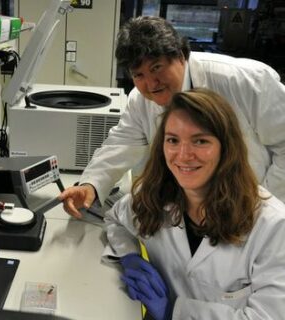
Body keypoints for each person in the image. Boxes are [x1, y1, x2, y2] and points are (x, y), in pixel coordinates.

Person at [59, 16, 285, 218]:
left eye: (157, 68)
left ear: (180, 56)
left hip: (253, 203)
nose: (151, 83)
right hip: (191, 209)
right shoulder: (140, 100)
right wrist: (91, 185)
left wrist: (261, 208)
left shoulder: (244, 81)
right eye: (139, 75)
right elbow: (121, 144)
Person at [103, 88, 285, 319]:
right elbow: (114, 219)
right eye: (173, 140)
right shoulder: (155, 197)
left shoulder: (273, 226)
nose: (183, 154)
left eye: (200, 141)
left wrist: (173, 312)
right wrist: (130, 257)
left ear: (227, 148)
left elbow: (268, 316)